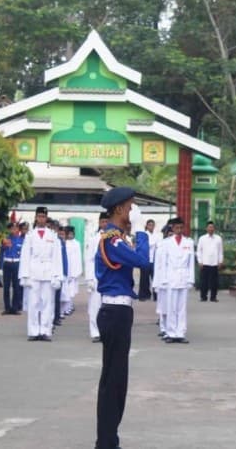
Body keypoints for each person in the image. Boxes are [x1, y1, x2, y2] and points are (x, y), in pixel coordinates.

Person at [94, 187, 150, 449]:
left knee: (116, 380)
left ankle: (109, 439)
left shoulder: (117, 238)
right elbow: (143, 261)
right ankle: (106, 442)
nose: (132, 211)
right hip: (115, 312)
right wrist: (141, 230)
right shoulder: (112, 240)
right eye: (129, 207)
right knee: (113, 381)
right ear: (118, 209)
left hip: (119, 312)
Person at [19, 207, 62, 342]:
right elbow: (25, 256)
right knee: (33, 303)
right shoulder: (30, 235)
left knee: (47, 303)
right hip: (34, 271)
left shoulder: (53, 236)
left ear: (46, 218)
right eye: (39, 216)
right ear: (36, 218)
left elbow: (57, 257)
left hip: (49, 271)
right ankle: (33, 331)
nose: (41, 219)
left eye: (43, 216)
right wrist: (24, 275)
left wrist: (57, 276)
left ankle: (45, 330)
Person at [153, 217, 194, 344]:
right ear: (173, 228)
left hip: (183, 276)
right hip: (170, 276)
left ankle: (180, 332)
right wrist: (163, 279)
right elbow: (163, 263)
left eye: (181, 227)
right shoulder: (166, 243)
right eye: (177, 228)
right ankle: (170, 332)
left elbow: (191, 263)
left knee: (182, 307)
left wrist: (190, 279)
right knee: (171, 307)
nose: (179, 230)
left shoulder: (189, 242)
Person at [85, 212, 108, 343]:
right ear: (99, 223)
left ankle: (106, 331)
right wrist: (89, 278)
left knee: (108, 305)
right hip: (96, 275)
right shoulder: (94, 239)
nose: (105, 224)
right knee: (95, 305)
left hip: (109, 275)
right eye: (103, 222)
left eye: (107, 221)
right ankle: (95, 332)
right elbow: (89, 259)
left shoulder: (113, 237)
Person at [0, 222, 24, 315]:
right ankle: (7, 308)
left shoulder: (21, 240)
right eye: (12, 228)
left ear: (18, 229)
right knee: (6, 287)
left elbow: (24, 255)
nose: (13, 230)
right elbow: (1, 253)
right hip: (7, 263)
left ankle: (15, 308)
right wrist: (0, 267)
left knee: (16, 287)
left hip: (17, 264)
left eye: (15, 228)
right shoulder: (5, 240)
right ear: (9, 229)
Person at [196, 221, 224, 302]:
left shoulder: (218, 238)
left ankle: (213, 297)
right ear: (206, 228)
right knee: (203, 281)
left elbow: (220, 251)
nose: (211, 229)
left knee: (214, 282)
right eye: (209, 227)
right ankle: (203, 296)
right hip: (205, 263)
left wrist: (220, 261)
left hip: (214, 263)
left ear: (214, 228)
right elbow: (199, 251)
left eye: (212, 227)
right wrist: (200, 261)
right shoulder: (202, 238)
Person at [138, 219, 157, 301]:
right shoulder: (144, 234)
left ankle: (156, 295)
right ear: (146, 226)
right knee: (144, 279)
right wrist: (153, 245)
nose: (151, 227)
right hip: (145, 259)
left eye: (152, 225)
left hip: (154, 260)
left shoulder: (157, 235)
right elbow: (144, 246)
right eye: (149, 225)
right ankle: (144, 295)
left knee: (155, 278)